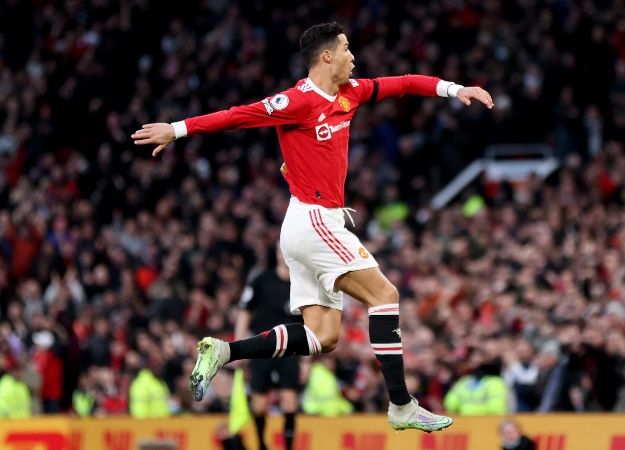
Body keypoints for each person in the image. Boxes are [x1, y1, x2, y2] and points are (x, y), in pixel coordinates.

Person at [131, 21, 493, 432]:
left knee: (324, 336)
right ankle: (400, 404)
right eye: (346, 49)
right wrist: (176, 130)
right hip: (314, 219)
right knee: (385, 294)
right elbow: (236, 116)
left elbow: (406, 82)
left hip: (307, 224)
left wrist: (454, 89)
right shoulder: (295, 101)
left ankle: (225, 351)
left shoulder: (350, 93)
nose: (353, 57)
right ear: (326, 56)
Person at [235, 245, 300, 450]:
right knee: (259, 404)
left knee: (289, 401)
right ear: (277, 254)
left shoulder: (302, 283)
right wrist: (239, 349)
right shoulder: (261, 281)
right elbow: (245, 312)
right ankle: (262, 443)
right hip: (263, 348)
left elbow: (309, 321)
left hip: (291, 348)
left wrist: (307, 358)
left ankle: (289, 446)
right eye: (281, 251)